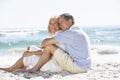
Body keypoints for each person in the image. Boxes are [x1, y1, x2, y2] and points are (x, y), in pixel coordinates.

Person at [24, 13, 91, 73]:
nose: (60, 24)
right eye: (59, 22)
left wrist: (34, 51)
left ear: (70, 21)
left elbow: (45, 43)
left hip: (78, 67)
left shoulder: (69, 33)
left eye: (61, 22)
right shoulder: (77, 30)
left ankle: (35, 69)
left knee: (49, 46)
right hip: (85, 66)